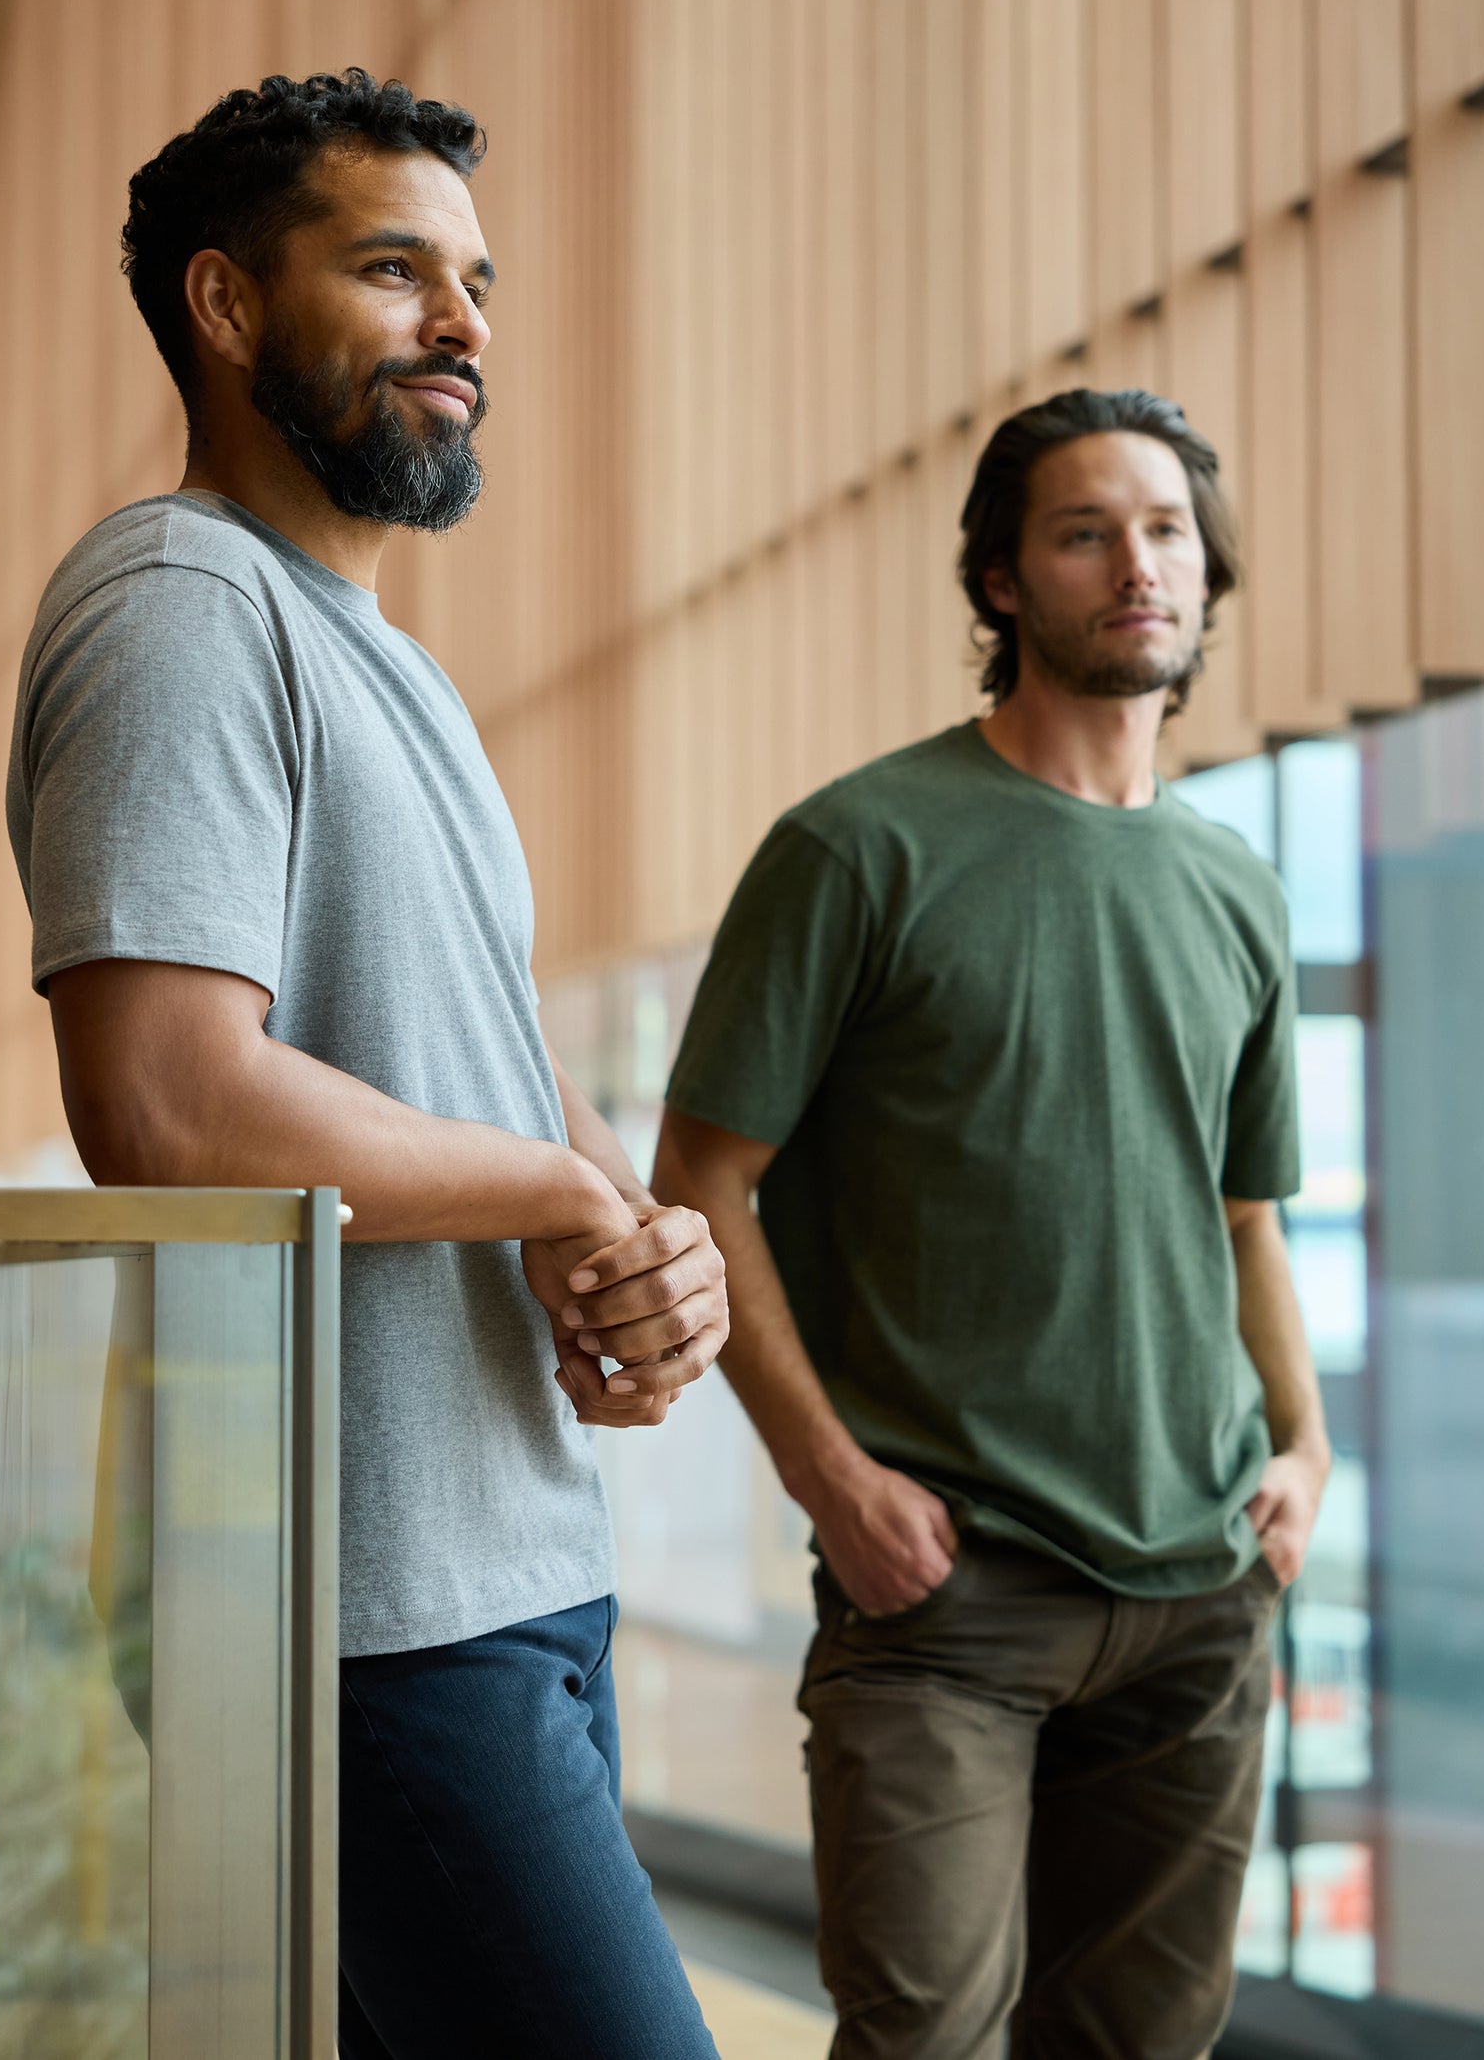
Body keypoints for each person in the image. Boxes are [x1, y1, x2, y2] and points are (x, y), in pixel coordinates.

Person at [6, 69, 725, 2060]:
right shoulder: (177, 606)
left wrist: (646, 1238)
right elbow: (165, 1102)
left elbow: (480, 1064)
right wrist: (559, 1190)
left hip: (486, 1560)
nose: (465, 324)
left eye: (477, 279)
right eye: (394, 268)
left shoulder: (379, 656)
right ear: (229, 309)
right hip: (354, 1603)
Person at [630, 389, 1329, 2057]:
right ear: (1004, 582)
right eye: (1085, 531)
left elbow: (1243, 1216)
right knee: (925, 2037)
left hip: (1203, 1590)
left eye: (1165, 529)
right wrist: (832, 1480)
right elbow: (701, 1185)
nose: (1135, 564)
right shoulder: (857, 846)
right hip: (945, 1596)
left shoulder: (1239, 888)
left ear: (1206, 572)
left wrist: (1304, 1446)